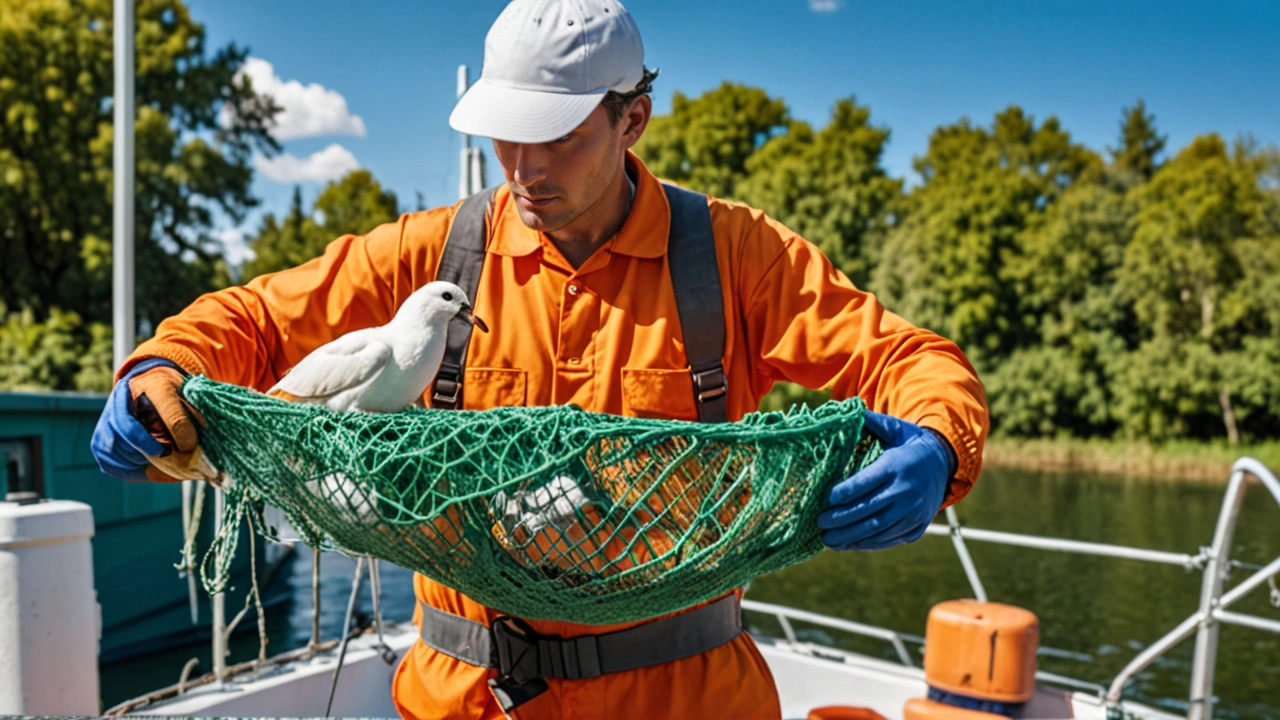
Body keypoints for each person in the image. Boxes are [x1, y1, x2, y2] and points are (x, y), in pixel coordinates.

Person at [90, 0, 988, 717]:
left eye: (556, 135)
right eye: (504, 133)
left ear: (632, 118)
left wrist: (938, 447)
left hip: (681, 698)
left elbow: (907, 358)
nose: (522, 166)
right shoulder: (434, 255)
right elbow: (255, 318)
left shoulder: (734, 257)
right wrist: (157, 367)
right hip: (465, 696)